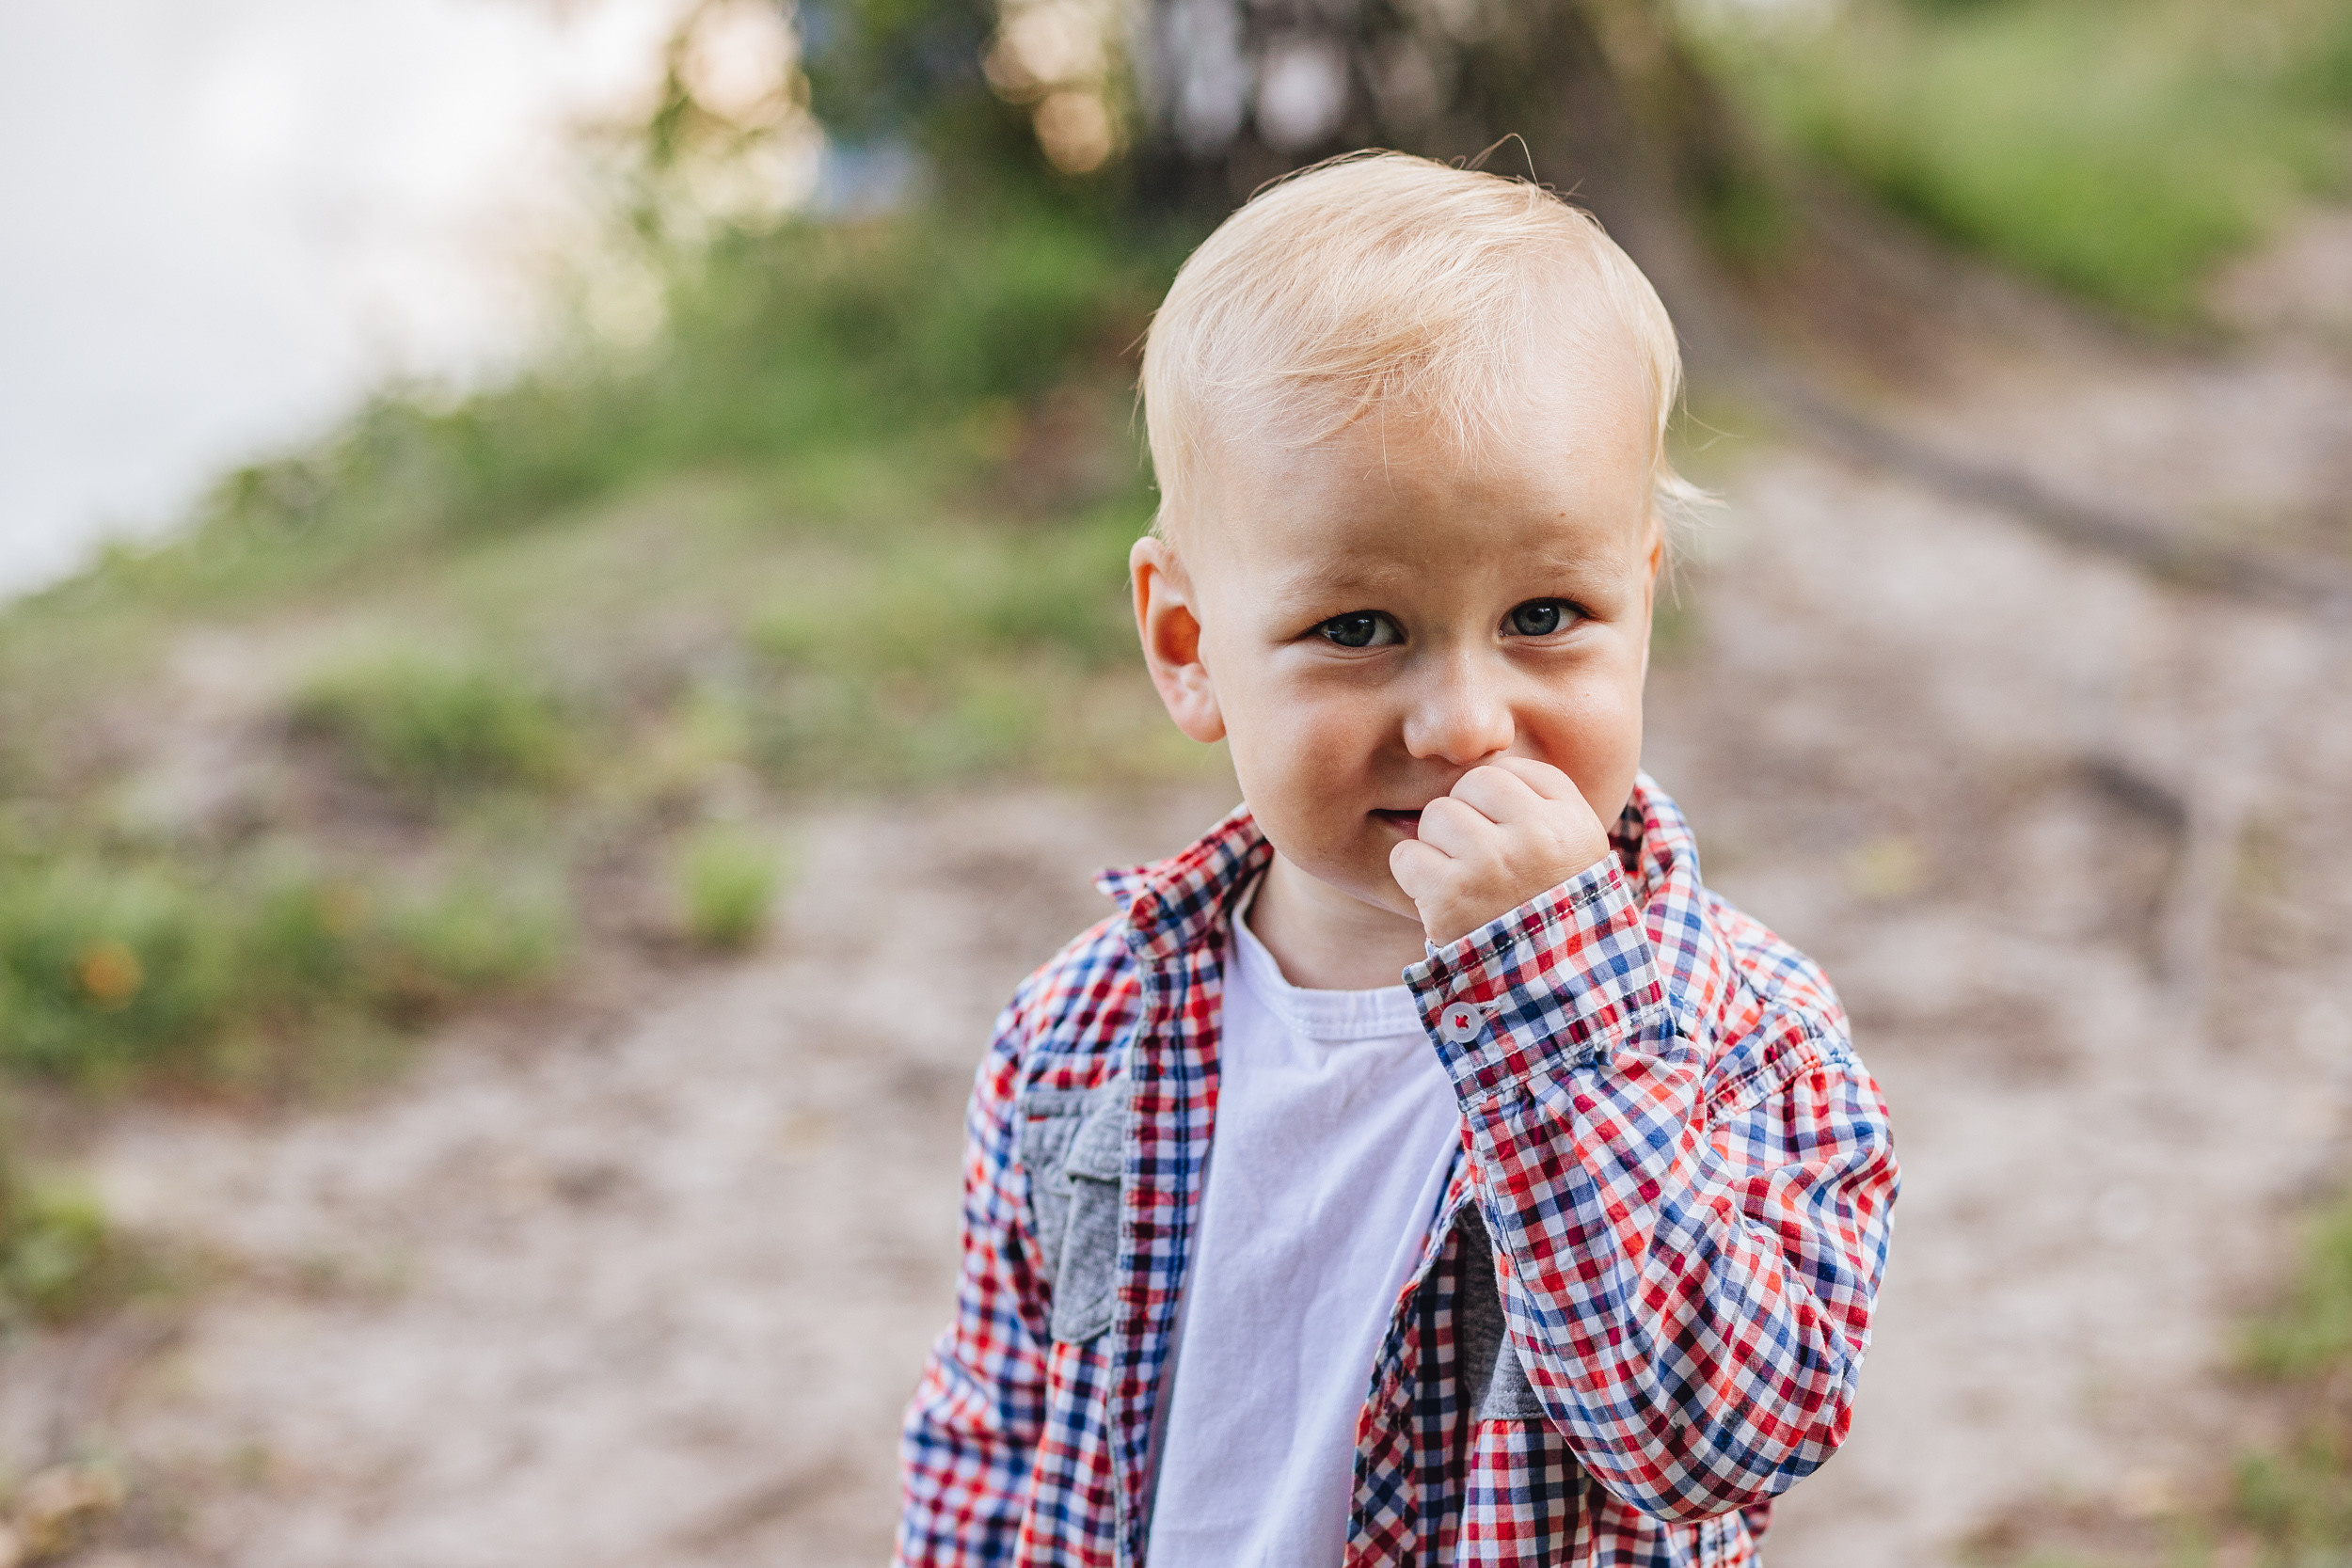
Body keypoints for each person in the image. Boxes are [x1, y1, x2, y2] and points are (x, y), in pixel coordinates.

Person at [895, 151, 1898, 1567]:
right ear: (1190, 648)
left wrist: (1547, 1006)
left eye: (1548, 611)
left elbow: (1716, 1441)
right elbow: (993, 1444)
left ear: (1644, 603)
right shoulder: (1076, 1037)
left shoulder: (1743, 1034)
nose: (1466, 722)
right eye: (1360, 630)